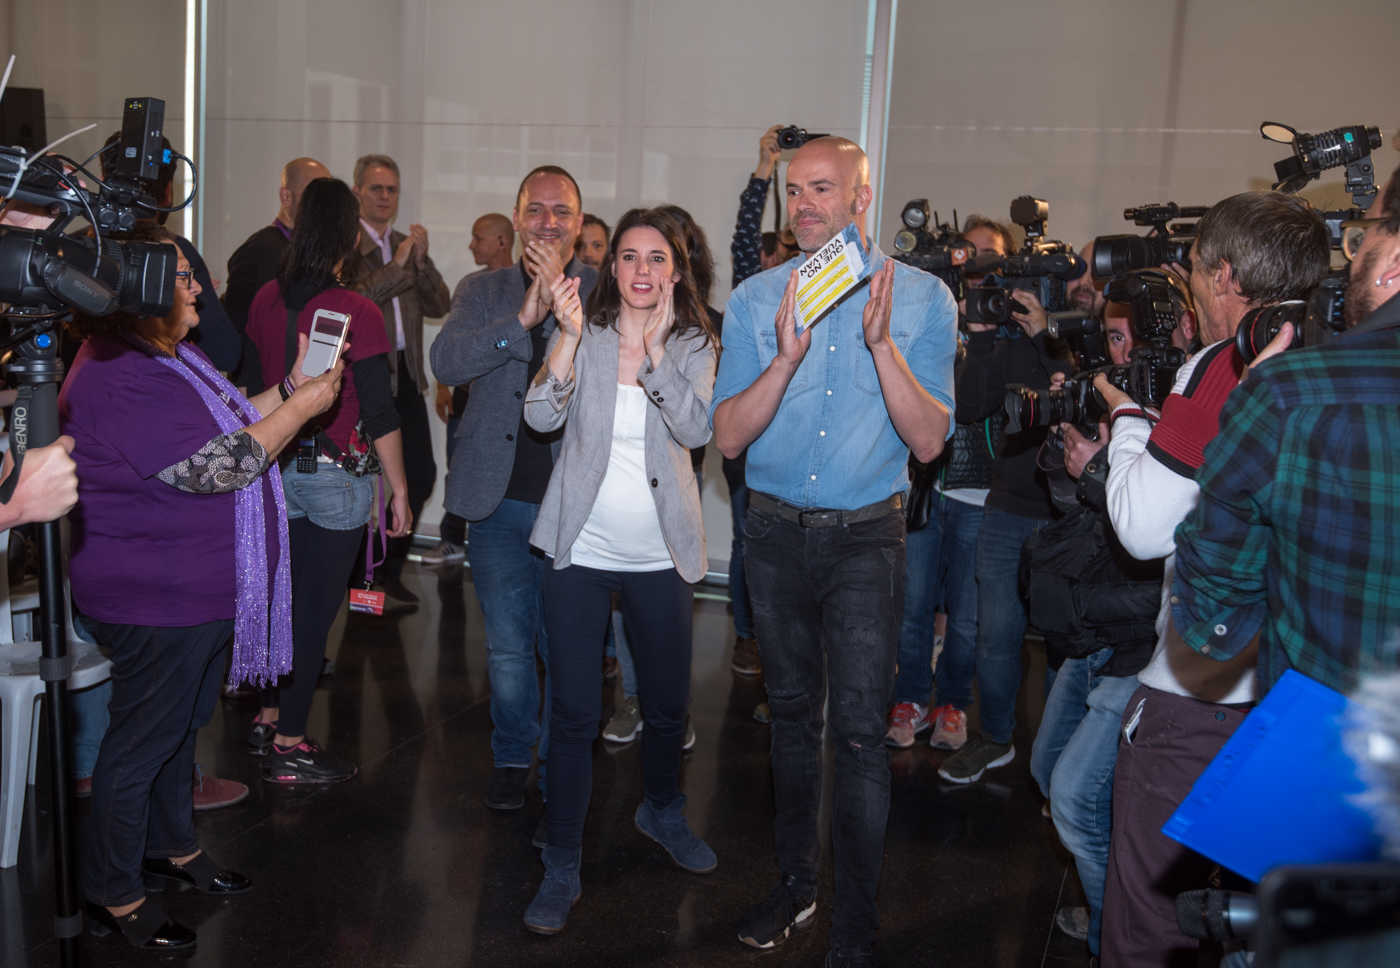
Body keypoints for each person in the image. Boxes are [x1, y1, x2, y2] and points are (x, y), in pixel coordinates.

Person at [60, 226, 344, 950]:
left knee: (178, 731)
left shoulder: (165, 353)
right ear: (137, 291)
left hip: (196, 591)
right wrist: (304, 412)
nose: (199, 288)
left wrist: (289, 389)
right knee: (141, 743)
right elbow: (218, 465)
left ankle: (172, 848)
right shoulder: (117, 371)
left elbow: (230, 419)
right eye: (183, 278)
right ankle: (113, 892)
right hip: (154, 597)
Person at [713, 137, 956, 966]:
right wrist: (784, 361)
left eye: (823, 188)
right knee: (787, 720)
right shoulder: (755, 300)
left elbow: (927, 445)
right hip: (774, 534)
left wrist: (882, 345)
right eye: (794, 190)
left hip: (866, 539)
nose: (805, 204)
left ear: (862, 194)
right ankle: (795, 886)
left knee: (857, 735)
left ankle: (855, 920)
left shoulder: (922, 299)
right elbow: (728, 436)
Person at [1094, 191, 1330, 966]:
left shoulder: (1221, 371)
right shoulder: (1346, 361)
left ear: (1226, 274)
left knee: (1154, 938)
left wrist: (1130, 421)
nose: (1189, 283)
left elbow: (1141, 526)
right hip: (1312, 705)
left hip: (1199, 707)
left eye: (1195, 267)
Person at [521, 207, 719, 934]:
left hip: (660, 557)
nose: (641, 269)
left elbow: (698, 431)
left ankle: (661, 810)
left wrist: (660, 355)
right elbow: (541, 416)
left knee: (667, 707)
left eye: (656, 258)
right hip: (579, 551)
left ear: (675, 269)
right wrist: (568, 342)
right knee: (573, 714)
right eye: (629, 256)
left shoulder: (696, 342)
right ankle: (563, 859)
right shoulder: (587, 330)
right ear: (613, 269)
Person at [1023, 275, 1196, 960]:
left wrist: (1100, 470)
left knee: (1074, 798)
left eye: (1123, 339)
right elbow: (1081, 519)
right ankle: (1110, 906)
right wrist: (1076, 467)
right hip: (1095, 633)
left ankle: (1111, 935)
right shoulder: (1119, 404)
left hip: (1142, 648)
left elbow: (1160, 545)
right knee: (1046, 770)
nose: (1113, 357)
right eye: (1109, 338)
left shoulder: (1187, 415)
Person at [430, 165, 597, 812]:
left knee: (566, 645)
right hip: (494, 499)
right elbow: (445, 363)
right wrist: (522, 320)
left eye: (562, 211)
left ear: (580, 225)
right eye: (536, 209)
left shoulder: (606, 292)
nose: (548, 222)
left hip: (572, 499)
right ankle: (509, 754)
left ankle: (559, 763)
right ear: (518, 215)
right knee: (506, 644)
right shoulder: (483, 288)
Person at [244, 177, 414, 785]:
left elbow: (247, 383)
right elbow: (378, 408)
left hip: (268, 467)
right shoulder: (354, 308)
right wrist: (398, 488)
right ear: (346, 235)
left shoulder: (265, 298)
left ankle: (266, 715)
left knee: (275, 602)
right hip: (334, 474)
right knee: (316, 611)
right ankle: (291, 741)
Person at [936, 223, 1072, 784]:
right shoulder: (1002, 337)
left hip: (1069, 512)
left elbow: (1077, 387)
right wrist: (986, 334)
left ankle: (1064, 753)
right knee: (995, 633)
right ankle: (995, 738)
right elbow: (970, 408)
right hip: (1007, 502)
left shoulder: (1072, 332)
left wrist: (1046, 333)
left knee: (1068, 640)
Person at [887, 214, 1014, 751]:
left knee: (965, 619)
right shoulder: (933, 312)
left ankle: (952, 704)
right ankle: (911, 698)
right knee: (912, 608)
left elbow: (983, 405)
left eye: (989, 258)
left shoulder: (1011, 327)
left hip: (982, 496)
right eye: (970, 254)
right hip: (926, 488)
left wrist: (986, 335)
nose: (977, 266)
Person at [350, 154, 452, 597]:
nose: (386, 197)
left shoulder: (405, 246)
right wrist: (399, 266)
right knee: (367, 485)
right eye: (377, 189)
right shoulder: (348, 246)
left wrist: (422, 263)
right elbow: (356, 299)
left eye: (391, 189)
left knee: (422, 475)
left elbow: (440, 305)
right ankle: (363, 575)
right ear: (358, 192)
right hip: (366, 380)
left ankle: (388, 572)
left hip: (406, 376)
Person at [423, 213, 516, 566]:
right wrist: (443, 386)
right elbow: (452, 343)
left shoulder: (521, 289)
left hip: (501, 403)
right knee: (458, 467)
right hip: (465, 399)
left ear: (502, 242)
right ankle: (451, 539)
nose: (471, 245)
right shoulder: (471, 286)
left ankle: (491, 544)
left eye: (478, 238)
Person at [224, 157, 331, 389]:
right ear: (286, 197)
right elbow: (237, 333)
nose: (321, 205)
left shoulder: (307, 252)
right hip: (264, 391)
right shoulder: (262, 250)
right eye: (312, 195)